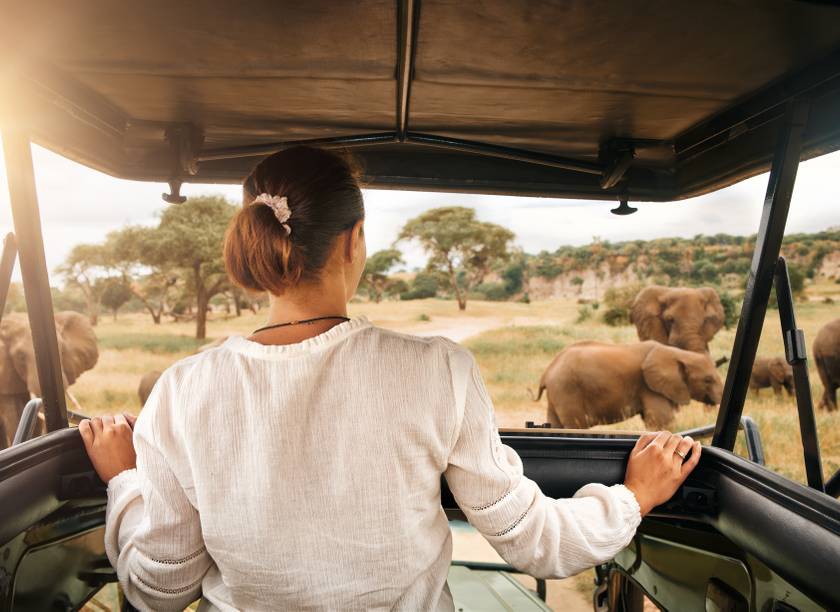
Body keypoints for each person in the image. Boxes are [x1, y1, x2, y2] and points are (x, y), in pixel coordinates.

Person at [80, 146, 701, 611]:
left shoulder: (183, 390)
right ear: (354, 242)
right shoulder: (437, 369)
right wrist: (634, 497)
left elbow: (159, 587)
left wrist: (126, 480)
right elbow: (534, 541)